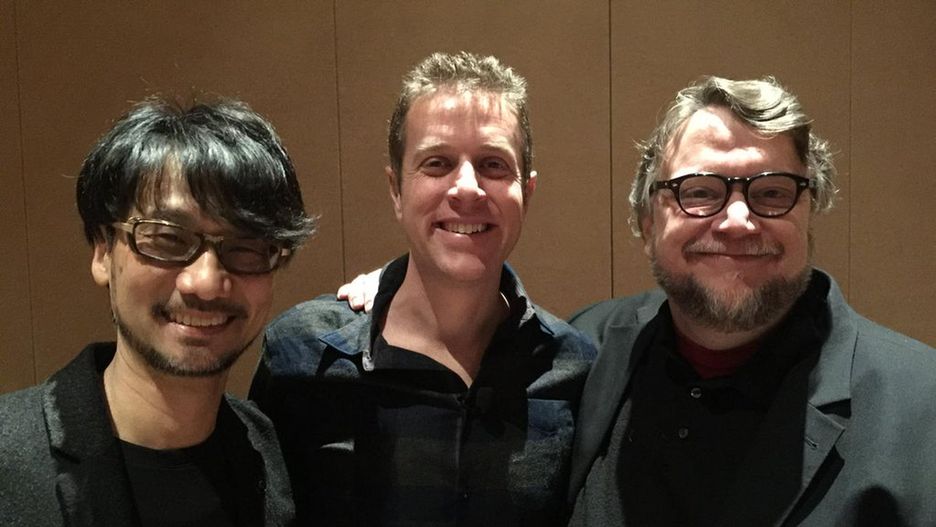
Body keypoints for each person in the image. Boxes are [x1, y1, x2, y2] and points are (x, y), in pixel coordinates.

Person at [567, 76, 936, 525]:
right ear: (647, 224)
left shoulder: (923, 408)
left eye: (772, 193)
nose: (738, 221)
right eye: (699, 191)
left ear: (809, 212)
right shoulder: (582, 351)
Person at [249, 51, 596, 526]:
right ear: (396, 190)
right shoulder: (303, 355)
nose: (467, 188)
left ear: (527, 193)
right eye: (437, 163)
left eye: (493, 164)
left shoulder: (576, 370)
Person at [0, 97, 315, 526]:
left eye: (246, 247)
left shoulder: (269, 453)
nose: (205, 282)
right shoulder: (10, 461)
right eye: (167, 239)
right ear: (103, 251)